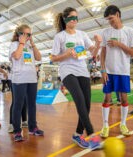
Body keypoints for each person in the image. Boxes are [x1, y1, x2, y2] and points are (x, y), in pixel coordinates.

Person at [51, 7, 102, 149]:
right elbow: (53, 58)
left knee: (86, 105)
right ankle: (92, 135)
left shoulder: (82, 34)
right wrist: (66, 54)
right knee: (79, 100)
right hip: (67, 72)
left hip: (83, 71)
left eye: (76, 17)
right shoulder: (60, 36)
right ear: (65, 19)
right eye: (72, 17)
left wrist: (97, 44)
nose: (75, 20)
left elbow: (93, 53)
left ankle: (77, 135)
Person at [100, 5, 133, 138]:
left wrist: (119, 44)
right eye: (108, 19)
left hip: (123, 70)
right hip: (108, 71)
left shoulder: (129, 31)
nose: (110, 21)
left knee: (123, 98)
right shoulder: (105, 32)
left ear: (118, 14)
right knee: (107, 98)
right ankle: (105, 126)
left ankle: (123, 124)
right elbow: (102, 52)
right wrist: (103, 70)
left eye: (111, 18)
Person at [9, 24, 43, 141]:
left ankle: (32, 127)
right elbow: (17, 56)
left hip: (31, 78)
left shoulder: (30, 45)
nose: (28, 36)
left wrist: (32, 43)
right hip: (19, 78)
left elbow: (39, 58)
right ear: (20, 34)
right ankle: (17, 131)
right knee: (18, 105)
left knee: (32, 104)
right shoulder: (14, 45)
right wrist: (22, 43)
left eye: (30, 34)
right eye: (26, 34)